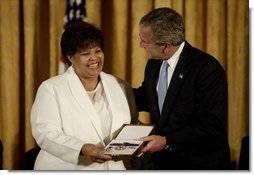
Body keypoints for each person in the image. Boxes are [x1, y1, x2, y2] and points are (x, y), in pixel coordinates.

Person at [30, 21, 138, 170]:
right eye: (86, 54)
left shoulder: (120, 86)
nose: (94, 58)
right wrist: (81, 148)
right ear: (70, 57)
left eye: (98, 51)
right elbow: (45, 133)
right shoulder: (51, 88)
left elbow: (131, 124)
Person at [132, 7, 231, 170]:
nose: (140, 45)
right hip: (164, 164)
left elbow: (212, 124)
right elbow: (148, 98)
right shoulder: (154, 63)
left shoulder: (206, 69)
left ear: (165, 46)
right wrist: (110, 89)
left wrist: (166, 141)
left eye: (145, 41)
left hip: (199, 164)